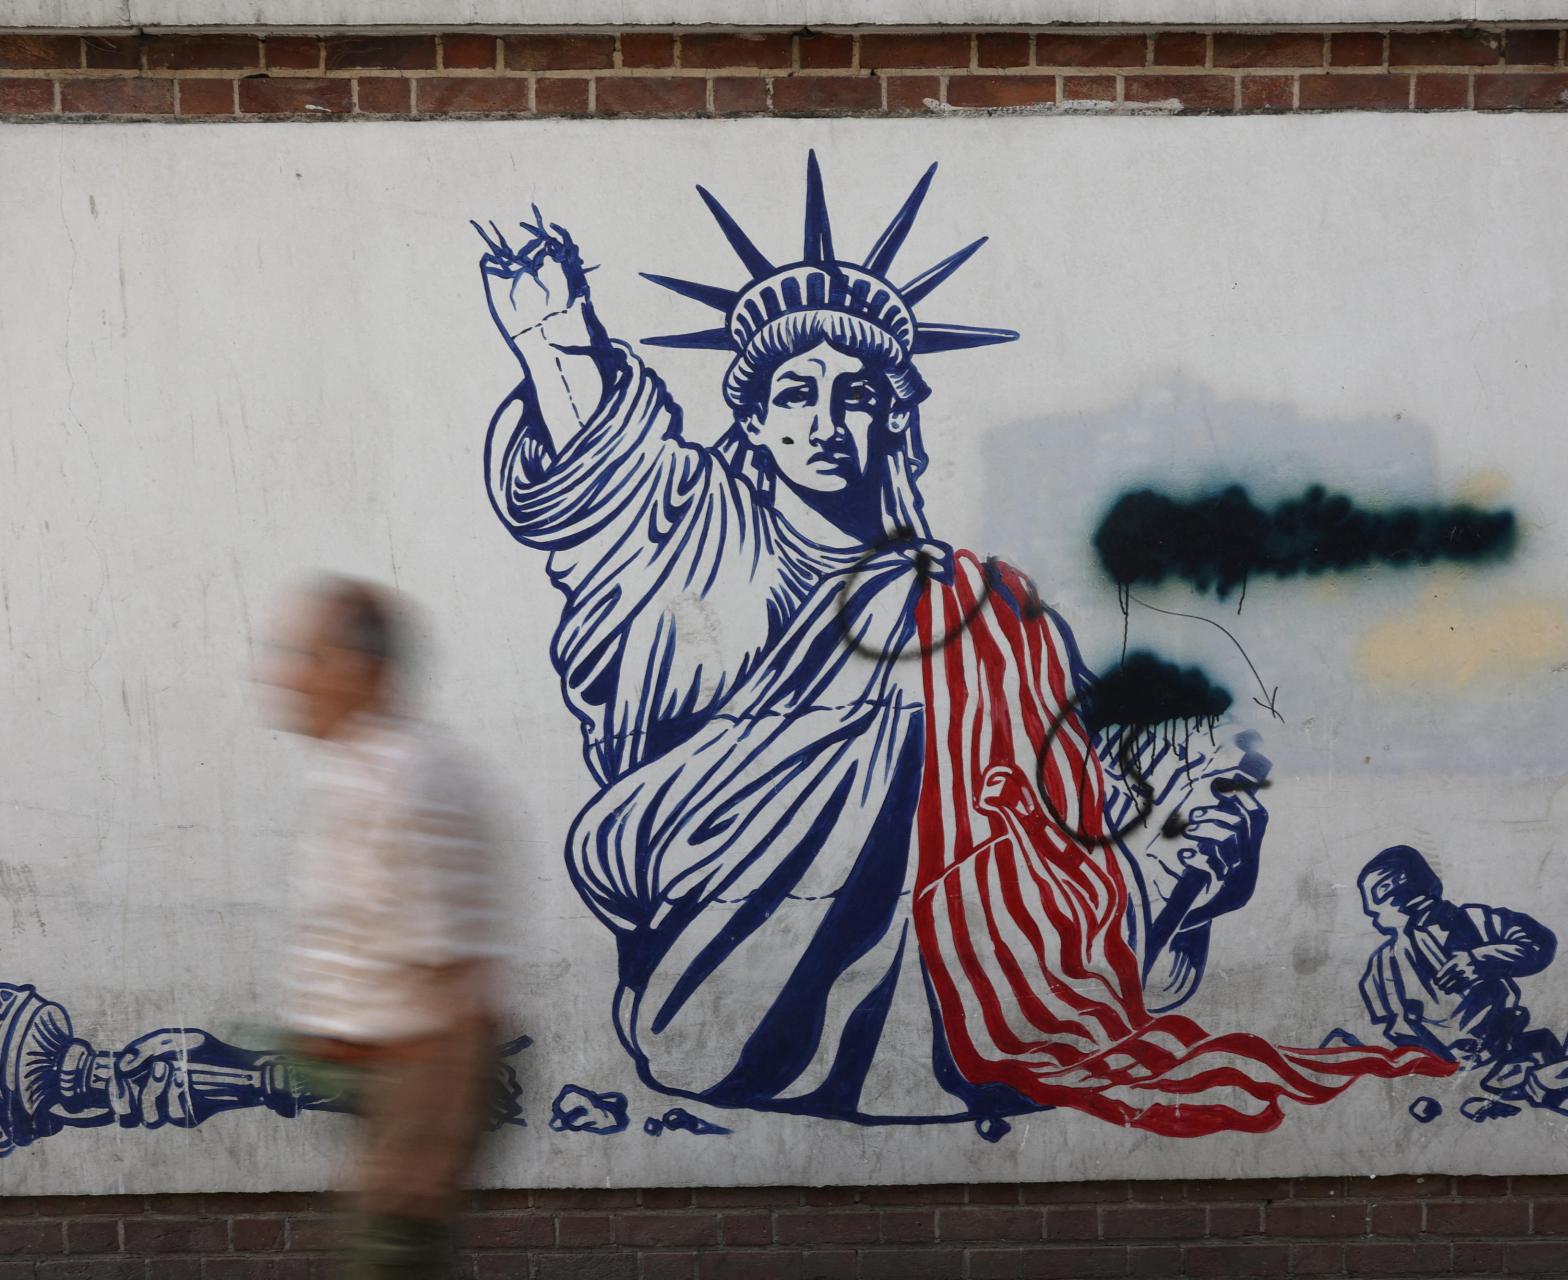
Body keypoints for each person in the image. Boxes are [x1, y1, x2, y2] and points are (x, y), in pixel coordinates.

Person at [476, 156, 1449, 1137]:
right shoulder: (706, 542)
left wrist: (1177, 823)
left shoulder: (979, 604)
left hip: (968, 966)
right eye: (796, 394)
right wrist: (555, 342)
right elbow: (610, 489)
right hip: (710, 961)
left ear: (891, 420)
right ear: (756, 422)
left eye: (854, 395)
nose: (825, 421)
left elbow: (1067, 785)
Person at [260, 577, 503, 1277]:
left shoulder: (405, 783)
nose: (284, 677)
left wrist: (422, 1145)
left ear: (359, 669)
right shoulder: (356, 771)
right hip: (386, 1083)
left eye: (305, 657)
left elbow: (453, 980)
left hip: (420, 1083)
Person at [1357, 844, 1558, 1066]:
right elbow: (1385, 1029)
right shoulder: (1383, 964)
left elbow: (1540, 944)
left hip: (1507, 1052)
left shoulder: (1475, 919)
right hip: (1442, 1069)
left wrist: (1479, 961)